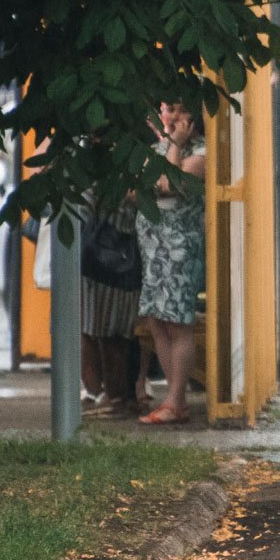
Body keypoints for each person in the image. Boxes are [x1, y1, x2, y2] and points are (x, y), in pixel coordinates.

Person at [135, 103, 206, 425]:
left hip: (179, 249)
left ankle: (176, 400)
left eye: (181, 111)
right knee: (157, 321)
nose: (174, 117)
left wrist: (175, 145)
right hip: (152, 249)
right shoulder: (157, 149)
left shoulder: (201, 152)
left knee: (177, 322)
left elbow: (170, 184)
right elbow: (134, 190)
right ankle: (174, 399)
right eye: (170, 110)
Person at [80, 189, 140, 416]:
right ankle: (112, 396)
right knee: (110, 333)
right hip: (110, 252)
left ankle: (108, 395)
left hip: (103, 252)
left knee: (99, 329)